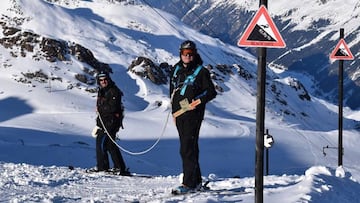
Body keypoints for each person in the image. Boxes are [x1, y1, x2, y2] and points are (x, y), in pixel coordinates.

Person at [170, 40, 217, 194]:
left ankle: (189, 184)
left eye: (191, 53)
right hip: (179, 114)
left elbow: (211, 92)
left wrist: (197, 101)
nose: (188, 56)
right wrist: (174, 112)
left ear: (195, 54)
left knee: (186, 149)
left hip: (193, 115)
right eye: (185, 53)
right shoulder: (176, 70)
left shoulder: (201, 71)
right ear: (180, 54)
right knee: (190, 148)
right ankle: (196, 180)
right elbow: (172, 92)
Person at [90, 70, 129, 175]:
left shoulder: (113, 91)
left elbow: (113, 107)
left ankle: (105, 167)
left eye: (105, 79)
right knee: (108, 144)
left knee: (103, 143)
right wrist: (98, 123)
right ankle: (117, 167)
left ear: (109, 79)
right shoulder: (102, 91)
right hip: (104, 122)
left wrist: (100, 108)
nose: (103, 81)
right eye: (101, 80)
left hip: (112, 122)